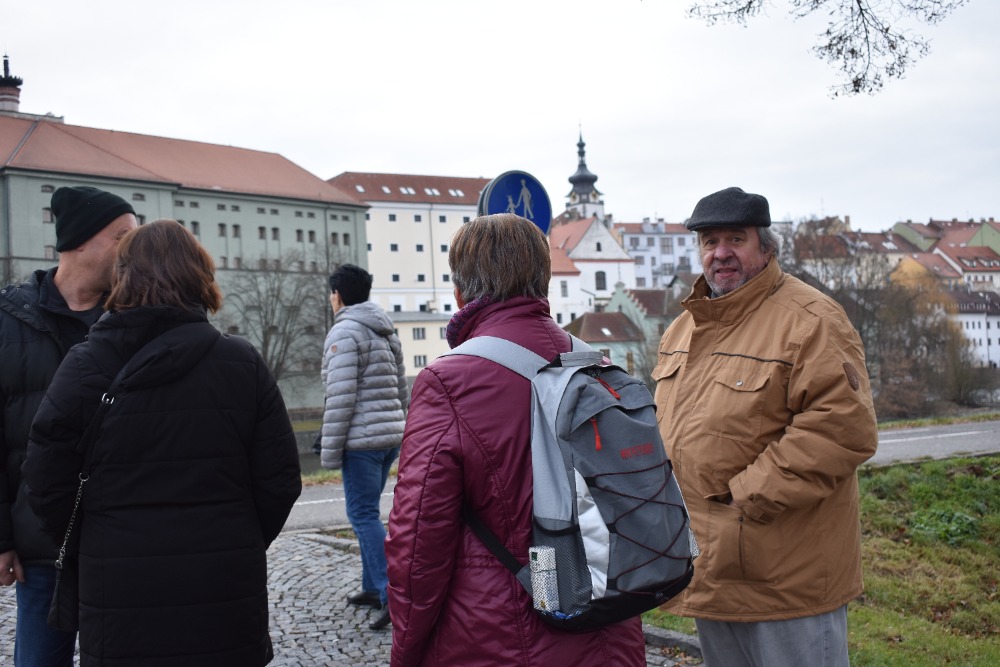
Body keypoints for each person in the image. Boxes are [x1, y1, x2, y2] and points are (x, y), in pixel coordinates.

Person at [21, 219, 302, 666]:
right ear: (199, 275)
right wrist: (237, 538)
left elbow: (43, 478)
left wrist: (92, 540)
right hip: (222, 582)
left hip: (117, 582)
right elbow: (280, 480)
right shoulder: (241, 362)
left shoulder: (84, 364)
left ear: (123, 276)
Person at [385, 213, 646, 666]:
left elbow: (418, 541)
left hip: (499, 634)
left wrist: (405, 649)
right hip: (610, 625)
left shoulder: (448, 382)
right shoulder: (596, 366)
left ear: (460, 292)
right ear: (543, 281)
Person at [651, 187, 879, 667]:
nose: (721, 253)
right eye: (710, 242)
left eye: (736, 239)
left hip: (785, 577)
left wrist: (744, 499)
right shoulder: (683, 329)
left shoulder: (811, 320)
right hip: (711, 571)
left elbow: (843, 428)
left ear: (766, 247)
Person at [0, 185, 137, 666]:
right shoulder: (7, 320)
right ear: (79, 241)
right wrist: (2, 539)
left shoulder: (137, 317)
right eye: (122, 236)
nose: (133, 248)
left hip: (123, 537)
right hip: (41, 541)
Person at [319, 264, 408, 631]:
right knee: (369, 511)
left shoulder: (344, 332)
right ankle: (372, 588)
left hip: (361, 442)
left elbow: (340, 398)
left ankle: (392, 595)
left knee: (362, 514)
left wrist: (329, 450)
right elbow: (402, 388)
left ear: (338, 295)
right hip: (388, 437)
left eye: (331, 293)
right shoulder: (385, 330)